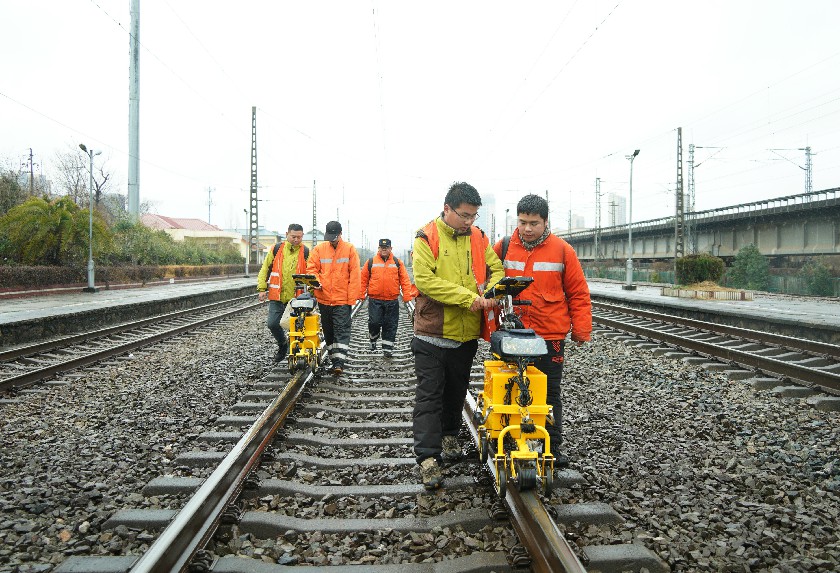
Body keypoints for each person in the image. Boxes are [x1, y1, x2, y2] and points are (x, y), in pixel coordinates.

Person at [411, 182, 505, 490]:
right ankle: (427, 458)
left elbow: (497, 270)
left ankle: (450, 436)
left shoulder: (478, 237)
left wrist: (491, 293)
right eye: (465, 215)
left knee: (456, 391)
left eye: (473, 216)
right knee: (429, 396)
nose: (469, 222)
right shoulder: (426, 237)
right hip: (431, 335)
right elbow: (425, 281)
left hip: (465, 335)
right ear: (447, 209)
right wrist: (468, 298)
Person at [493, 194, 591, 467]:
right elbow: (488, 283)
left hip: (550, 334)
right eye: (523, 222)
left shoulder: (562, 250)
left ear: (545, 222)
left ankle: (551, 446)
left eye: (533, 223)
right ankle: (511, 438)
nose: (527, 228)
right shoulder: (502, 248)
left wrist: (581, 329)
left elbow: (578, 293)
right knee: (511, 388)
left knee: (549, 392)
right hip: (513, 332)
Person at [307, 221, 361, 375]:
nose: (331, 240)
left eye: (334, 237)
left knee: (341, 330)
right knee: (329, 331)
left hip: (342, 300)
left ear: (340, 233)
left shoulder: (349, 249)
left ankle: (339, 363)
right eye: (329, 237)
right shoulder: (319, 249)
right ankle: (333, 358)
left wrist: (352, 298)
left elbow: (355, 274)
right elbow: (312, 268)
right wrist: (315, 281)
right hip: (324, 298)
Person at [256, 223, 308, 362]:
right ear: (287, 235)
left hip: (297, 298)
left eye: (299, 237)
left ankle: (296, 353)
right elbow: (265, 269)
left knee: (297, 327)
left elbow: (312, 273)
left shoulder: (306, 252)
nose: (296, 240)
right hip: (277, 296)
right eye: (293, 236)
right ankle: (282, 344)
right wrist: (262, 289)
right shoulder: (276, 249)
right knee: (273, 324)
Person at [360, 238, 414, 358]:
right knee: (374, 322)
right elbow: (363, 279)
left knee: (390, 324)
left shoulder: (397, 262)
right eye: (382, 248)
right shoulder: (370, 262)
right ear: (378, 249)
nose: (384, 250)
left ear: (390, 249)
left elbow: (404, 280)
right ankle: (373, 339)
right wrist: (360, 294)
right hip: (375, 300)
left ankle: (387, 348)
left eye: (386, 248)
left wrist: (407, 295)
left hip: (392, 300)